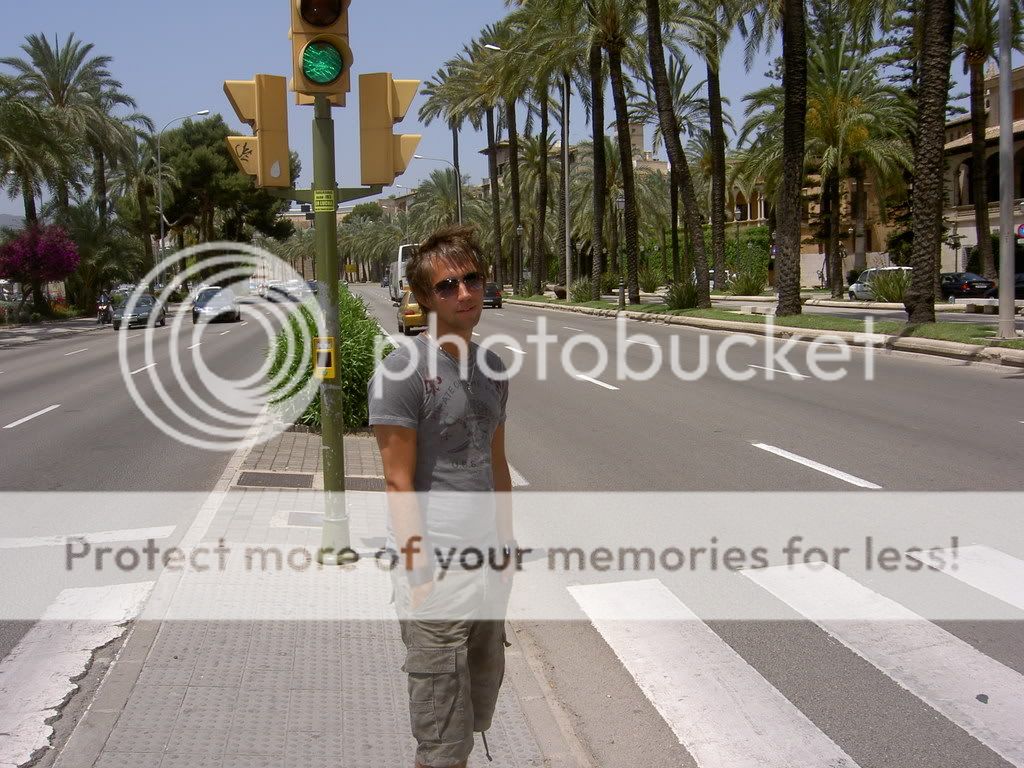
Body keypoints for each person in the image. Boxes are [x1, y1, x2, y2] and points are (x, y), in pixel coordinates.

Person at [369, 225, 515, 768]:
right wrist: (419, 574)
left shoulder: (493, 368)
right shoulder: (402, 372)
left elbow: (496, 463)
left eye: (471, 279)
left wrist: (505, 547)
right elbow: (397, 480)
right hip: (435, 567)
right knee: (441, 731)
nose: (464, 293)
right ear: (424, 298)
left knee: (477, 704)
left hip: (484, 563)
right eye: (447, 286)